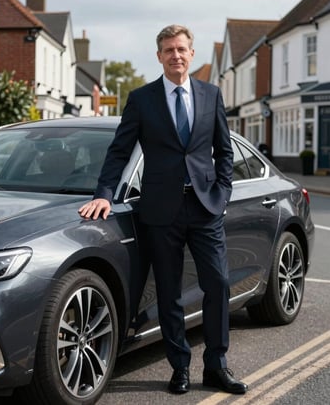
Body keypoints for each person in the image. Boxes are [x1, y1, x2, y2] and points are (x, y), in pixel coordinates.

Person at [79, 24, 248, 395]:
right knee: (169, 291)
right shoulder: (142, 99)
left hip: (205, 207)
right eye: (169, 50)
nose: (176, 55)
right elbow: (119, 151)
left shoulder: (211, 94)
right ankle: (180, 368)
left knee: (217, 284)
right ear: (159, 56)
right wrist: (105, 192)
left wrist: (222, 193)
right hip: (160, 210)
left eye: (182, 49)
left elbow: (224, 151)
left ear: (191, 53)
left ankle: (217, 366)